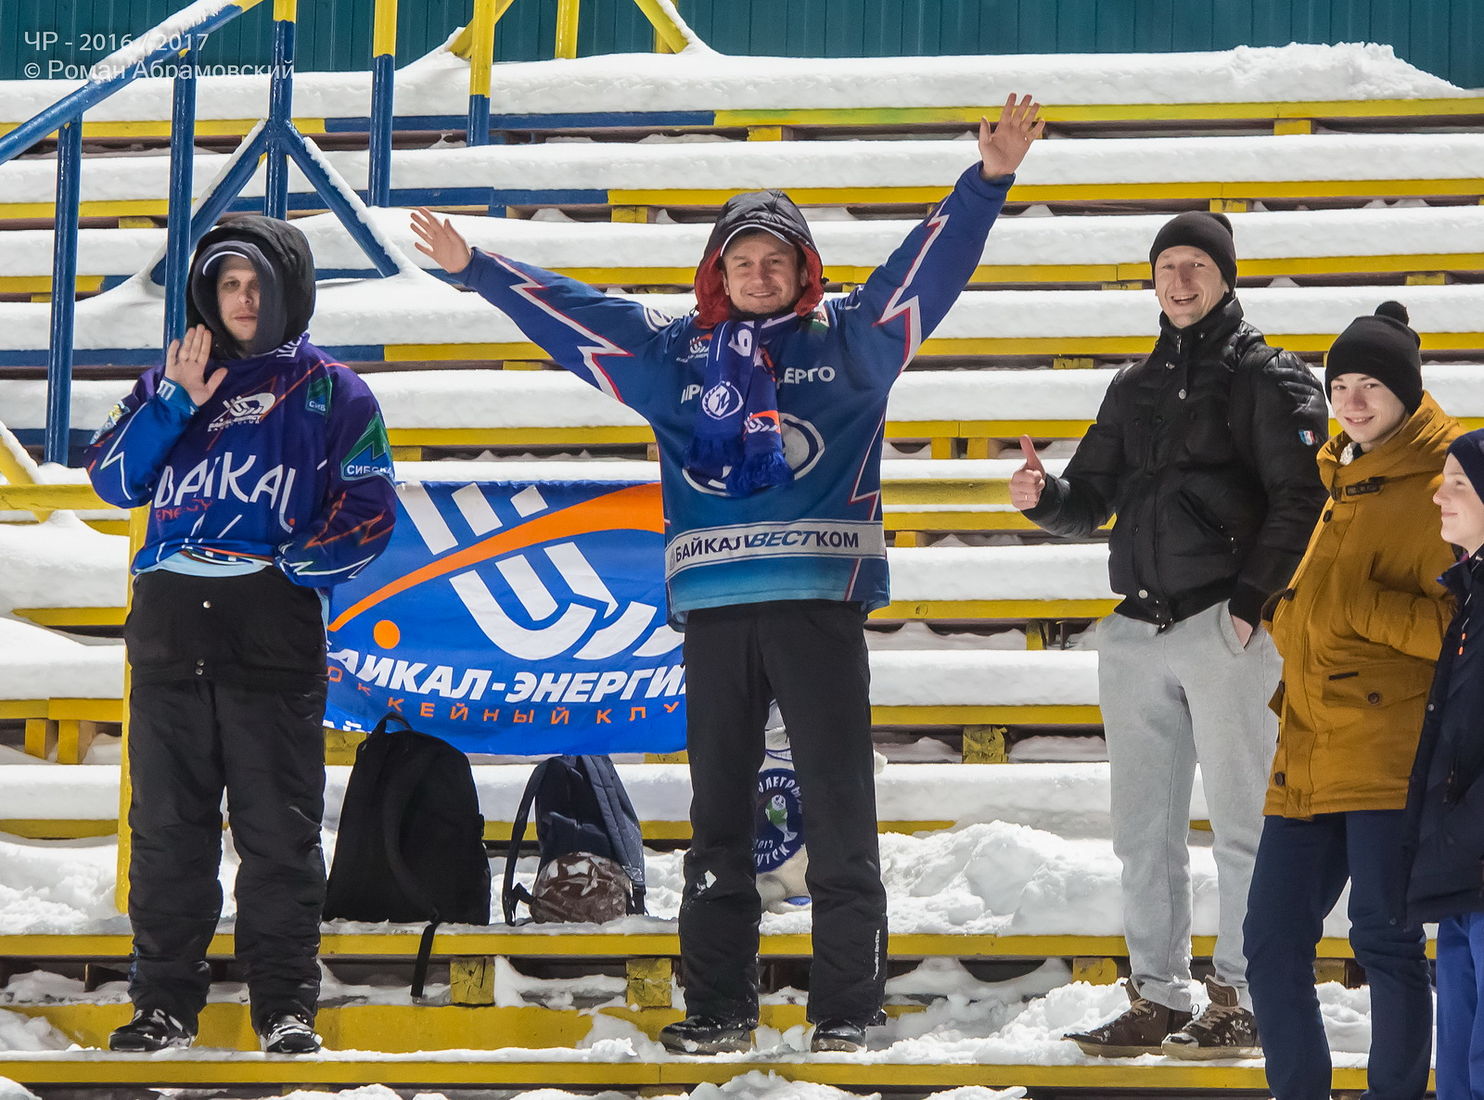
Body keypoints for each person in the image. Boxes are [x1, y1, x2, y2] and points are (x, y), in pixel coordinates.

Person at [411, 94, 1044, 1055]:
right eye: (741, 260)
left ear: (803, 270)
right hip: (714, 619)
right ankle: (717, 1008)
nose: (758, 273)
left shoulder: (851, 341)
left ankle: (847, 1009)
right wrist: (476, 270)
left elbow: (929, 267)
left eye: (775, 259)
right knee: (717, 826)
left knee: (841, 814)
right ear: (717, 272)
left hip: (818, 611)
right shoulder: (676, 356)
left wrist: (987, 182)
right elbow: (575, 316)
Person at [1010, 210, 1328, 1056]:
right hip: (1136, 629)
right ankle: (1157, 992)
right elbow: (1090, 498)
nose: (1180, 281)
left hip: (1224, 625)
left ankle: (1248, 994)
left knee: (1244, 824)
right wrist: (1045, 499)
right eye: (1167, 267)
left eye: (1196, 266)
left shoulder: (1269, 375)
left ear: (1225, 277)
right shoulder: (1134, 385)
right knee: (1143, 832)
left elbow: (1305, 497)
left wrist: (1251, 604)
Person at [85, 215, 397, 1054]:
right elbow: (111, 478)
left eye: (258, 283)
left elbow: (371, 512)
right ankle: (162, 1005)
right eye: (229, 283)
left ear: (290, 289)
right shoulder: (168, 381)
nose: (244, 299)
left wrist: (287, 569)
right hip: (168, 630)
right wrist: (175, 401)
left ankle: (284, 1006)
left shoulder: (336, 392)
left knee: (278, 832)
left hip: (272, 634)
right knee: (167, 832)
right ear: (206, 294)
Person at [1244, 302, 1459, 1098]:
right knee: (1270, 943)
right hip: (1308, 744)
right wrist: (1291, 615)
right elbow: (1325, 603)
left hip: (1388, 752)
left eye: (1371, 385)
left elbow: (1460, 629)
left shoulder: (1444, 481)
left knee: (1384, 942)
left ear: (1407, 391)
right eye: (1340, 387)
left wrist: (1354, 610)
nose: (1353, 402)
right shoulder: (1339, 474)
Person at [1403, 427, 1484, 1100]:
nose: (1439, 495)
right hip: (1464, 873)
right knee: (1457, 1062)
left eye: (1459, 483)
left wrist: (1457, 836)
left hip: (1473, 855)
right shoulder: (1469, 596)